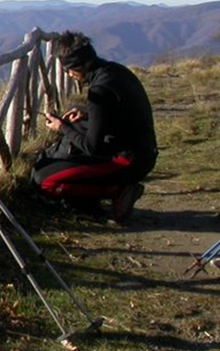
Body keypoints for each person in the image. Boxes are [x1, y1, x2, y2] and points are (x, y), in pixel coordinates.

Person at [32, 31, 158, 223]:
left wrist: (62, 127)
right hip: (143, 152)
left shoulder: (98, 91)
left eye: (68, 70)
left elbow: (92, 147)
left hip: (128, 161)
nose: (69, 75)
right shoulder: (115, 71)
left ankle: (118, 191)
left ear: (75, 68)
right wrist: (87, 114)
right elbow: (120, 110)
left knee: (44, 180)